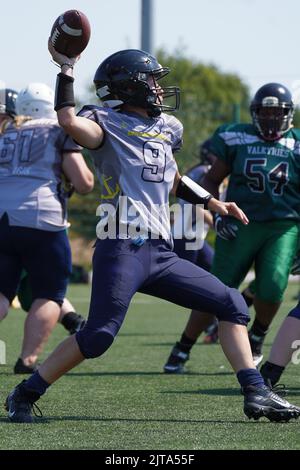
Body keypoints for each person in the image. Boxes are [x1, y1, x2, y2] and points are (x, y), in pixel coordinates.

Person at [5, 45, 300, 424]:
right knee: (98, 336)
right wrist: (66, 69)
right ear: (129, 87)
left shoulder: (167, 128)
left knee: (232, 303)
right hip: (122, 246)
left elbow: (174, 180)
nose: (159, 89)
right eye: (151, 80)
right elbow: (68, 121)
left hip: (160, 252)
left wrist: (214, 203)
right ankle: (25, 392)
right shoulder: (103, 121)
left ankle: (257, 392)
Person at [165, 83, 300, 372]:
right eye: (265, 112)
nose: (271, 118)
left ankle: (258, 335)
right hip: (239, 222)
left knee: (273, 285)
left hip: (283, 225)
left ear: (288, 114)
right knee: (216, 289)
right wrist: (218, 212)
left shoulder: (297, 143)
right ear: (255, 112)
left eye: (277, 112)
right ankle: (184, 345)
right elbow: (212, 179)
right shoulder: (235, 137)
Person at [0, 82, 94, 374]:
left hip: (2, 217)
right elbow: (83, 182)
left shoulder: (5, 132)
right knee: (50, 293)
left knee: (1, 293)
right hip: (41, 217)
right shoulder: (58, 130)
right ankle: (27, 360)